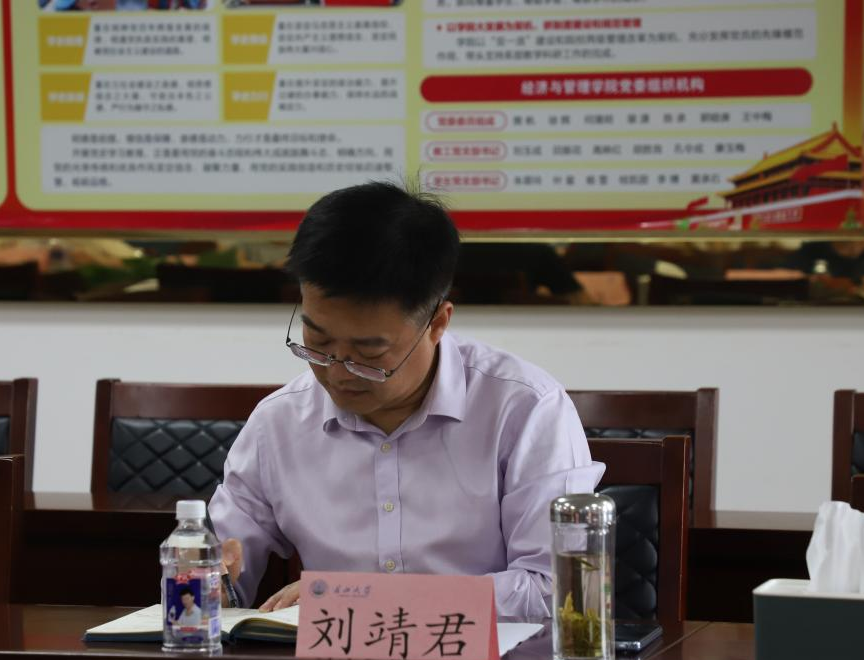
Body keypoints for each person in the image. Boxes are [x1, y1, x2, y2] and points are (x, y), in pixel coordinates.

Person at [209, 182, 603, 619]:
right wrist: (212, 582)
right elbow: (223, 564)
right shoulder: (279, 422)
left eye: (369, 353)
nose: (337, 372)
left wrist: (368, 598)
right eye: (317, 342)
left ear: (437, 323)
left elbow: (558, 590)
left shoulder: (525, 410)